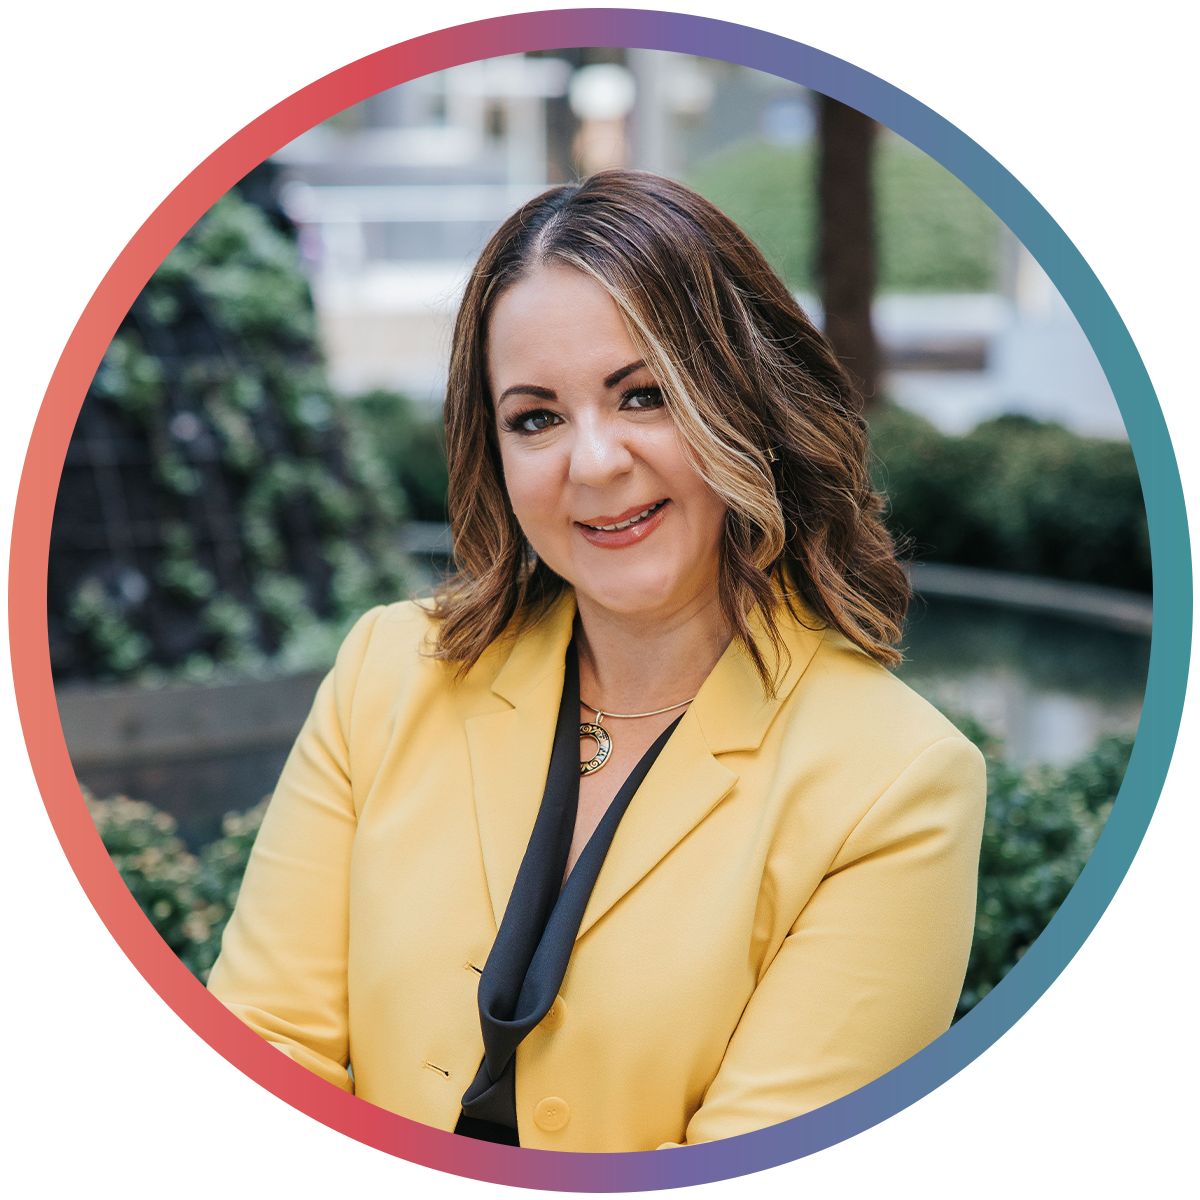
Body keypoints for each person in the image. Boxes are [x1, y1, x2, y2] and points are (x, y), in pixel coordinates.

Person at [206, 170, 987, 1152]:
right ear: (491, 449)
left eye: (644, 396)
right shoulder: (389, 671)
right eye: (535, 416)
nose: (594, 462)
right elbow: (263, 1043)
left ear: (743, 399)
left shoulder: (899, 784)